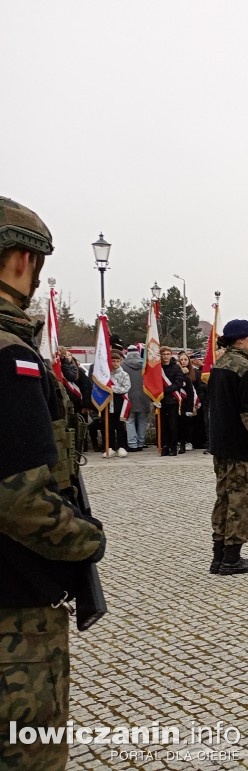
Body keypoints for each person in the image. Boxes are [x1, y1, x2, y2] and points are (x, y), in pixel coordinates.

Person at [0, 195, 106, 769]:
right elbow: (18, 499)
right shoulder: (9, 361)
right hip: (12, 607)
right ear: (21, 260)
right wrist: (87, 539)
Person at [206, 319, 248, 575]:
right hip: (241, 446)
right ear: (240, 340)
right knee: (241, 501)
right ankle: (231, 558)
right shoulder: (243, 367)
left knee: (223, 498)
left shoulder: (218, 365)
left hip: (221, 444)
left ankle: (219, 555)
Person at [122, 344, 150, 452]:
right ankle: (140, 443)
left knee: (130, 420)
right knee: (142, 420)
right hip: (144, 396)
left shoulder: (123, 366)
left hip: (129, 397)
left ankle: (132, 444)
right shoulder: (145, 365)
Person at [160, 345, 187, 456]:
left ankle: (173, 447)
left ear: (171, 355)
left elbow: (178, 382)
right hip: (160, 400)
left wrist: (165, 390)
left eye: (167, 354)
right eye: (163, 354)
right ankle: (164, 446)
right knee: (163, 425)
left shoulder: (176, 367)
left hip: (173, 400)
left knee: (172, 424)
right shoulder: (157, 368)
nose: (165, 356)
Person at [107, 348, 130, 457]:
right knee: (109, 426)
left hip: (119, 401)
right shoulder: (106, 374)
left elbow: (125, 388)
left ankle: (122, 446)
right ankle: (110, 447)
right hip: (108, 402)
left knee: (120, 425)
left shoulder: (124, 374)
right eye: (113, 361)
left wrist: (111, 388)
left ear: (120, 361)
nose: (115, 363)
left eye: (117, 361)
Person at [176, 351, 197, 453]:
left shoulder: (193, 373)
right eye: (181, 360)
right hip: (178, 401)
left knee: (188, 423)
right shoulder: (176, 372)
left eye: (185, 359)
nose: (183, 362)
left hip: (190, 401)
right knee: (178, 423)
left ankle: (188, 441)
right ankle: (179, 441)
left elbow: (192, 391)